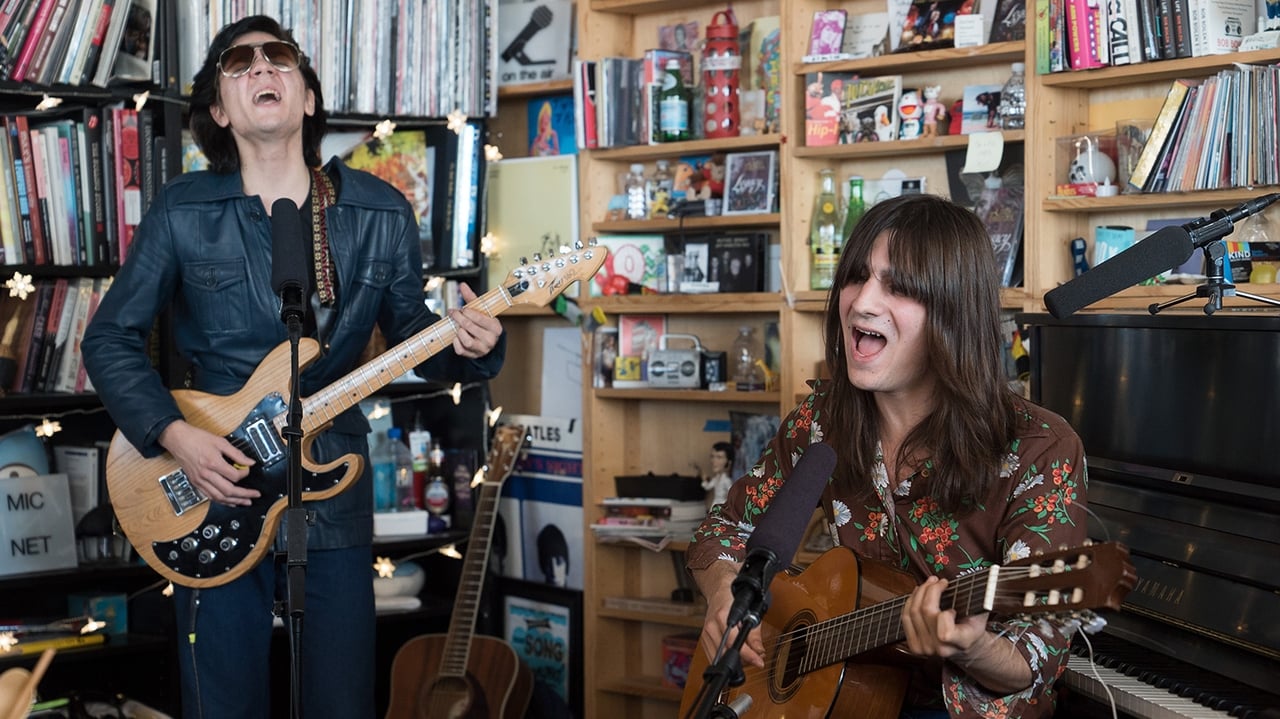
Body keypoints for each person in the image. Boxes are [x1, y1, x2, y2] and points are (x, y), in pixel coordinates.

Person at [80, 15, 505, 719]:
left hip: (332, 493)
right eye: (237, 64)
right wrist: (176, 436)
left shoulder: (379, 211)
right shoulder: (183, 210)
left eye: (278, 58)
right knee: (223, 706)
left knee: (342, 704)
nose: (260, 70)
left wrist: (474, 343)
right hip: (212, 488)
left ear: (307, 95)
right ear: (219, 109)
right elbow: (109, 340)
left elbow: (412, 336)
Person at [685, 194, 1088, 719]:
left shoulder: (1039, 447)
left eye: (897, 287)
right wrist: (725, 597)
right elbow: (723, 531)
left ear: (954, 312)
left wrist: (971, 645)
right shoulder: (821, 421)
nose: (861, 302)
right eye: (856, 277)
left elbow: (1040, 657)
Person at [701, 441, 735, 507]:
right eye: (712, 456)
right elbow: (708, 487)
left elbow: (733, 495)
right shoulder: (716, 478)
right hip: (715, 504)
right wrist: (704, 480)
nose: (714, 461)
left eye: (719, 457)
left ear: (728, 462)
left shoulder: (726, 480)